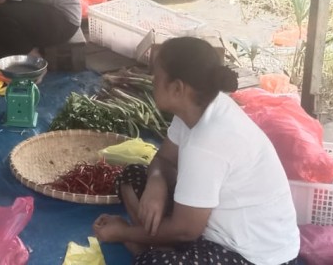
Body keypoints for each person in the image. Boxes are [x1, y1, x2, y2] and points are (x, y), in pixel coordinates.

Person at [92, 37, 300, 265]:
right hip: (209, 225)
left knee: (155, 262)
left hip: (253, 255)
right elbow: (164, 159)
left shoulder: (208, 141)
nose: (152, 82)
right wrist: (157, 183)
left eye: (157, 77)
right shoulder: (195, 108)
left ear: (177, 88)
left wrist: (122, 233)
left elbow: (185, 230)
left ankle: (146, 247)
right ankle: (155, 243)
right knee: (133, 176)